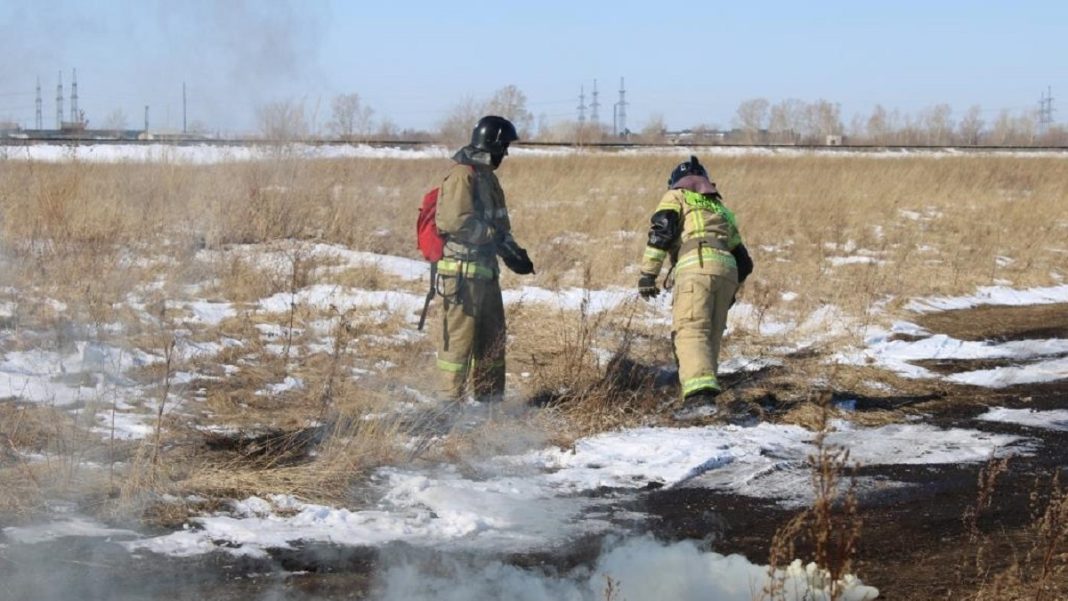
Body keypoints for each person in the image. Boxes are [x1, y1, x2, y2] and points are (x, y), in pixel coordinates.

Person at [637, 155, 753, 407]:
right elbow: (745, 263)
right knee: (710, 335)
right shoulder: (720, 208)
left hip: (696, 265)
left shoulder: (676, 196)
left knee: (690, 330)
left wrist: (648, 274)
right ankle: (705, 395)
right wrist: (730, 292)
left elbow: (662, 231)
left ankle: (698, 399)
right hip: (728, 271)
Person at [433, 115, 535, 402]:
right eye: (504, 146)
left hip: (485, 272)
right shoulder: (462, 174)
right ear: (491, 144)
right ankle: (447, 408)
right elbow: (454, 221)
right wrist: (492, 237)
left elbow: (500, 227)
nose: (506, 153)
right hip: (461, 275)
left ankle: (490, 405)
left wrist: (513, 253)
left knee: (492, 341)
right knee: (458, 344)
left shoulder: (488, 178)